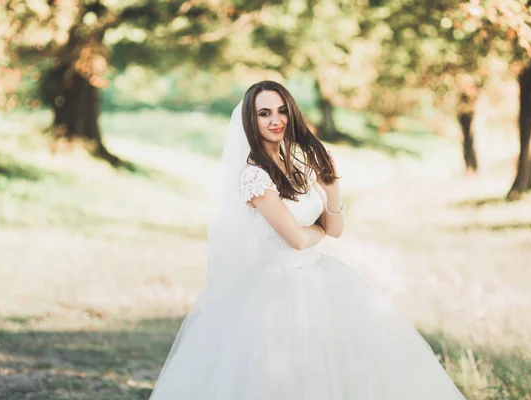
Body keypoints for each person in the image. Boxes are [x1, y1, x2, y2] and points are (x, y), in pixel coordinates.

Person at [149, 81, 467, 399]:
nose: (276, 120)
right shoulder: (255, 176)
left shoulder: (294, 165)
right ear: (251, 121)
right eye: (264, 113)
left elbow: (336, 229)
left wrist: (331, 191)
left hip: (320, 278)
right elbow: (298, 240)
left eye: (282, 111)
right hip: (277, 288)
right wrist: (319, 230)